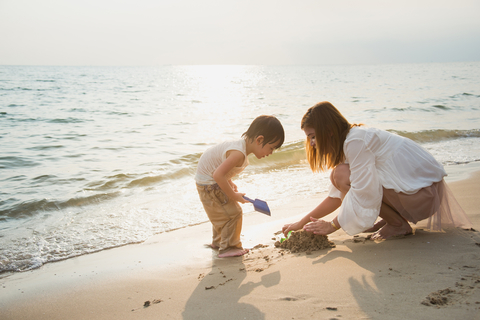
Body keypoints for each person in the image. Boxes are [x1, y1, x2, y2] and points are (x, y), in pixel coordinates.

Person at [282, 101, 472, 240]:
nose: (312, 143)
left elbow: (364, 190)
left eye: (313, 136)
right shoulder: (350, 141)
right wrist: (301, 222)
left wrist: (332, 226)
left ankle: (398, 224)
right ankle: (394, 219)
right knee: (339, 176)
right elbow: (336, 197)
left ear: (329, 131)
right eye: (309, 138)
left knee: (341, 175)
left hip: (423, 195)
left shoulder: (355, 141)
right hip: (420, 192)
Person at [196, 115, 284, 257]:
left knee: (221, 212)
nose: (270, 153)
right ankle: (229, 247)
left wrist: (229, 182)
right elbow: (218, 175)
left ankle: (218, 242)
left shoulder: (240, 149)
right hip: (209, 185)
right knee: (233, 213)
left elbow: (220, 169)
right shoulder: (238, 154)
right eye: (271, 148)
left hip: (208, 182)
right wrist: (233, 195)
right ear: (259, 140)